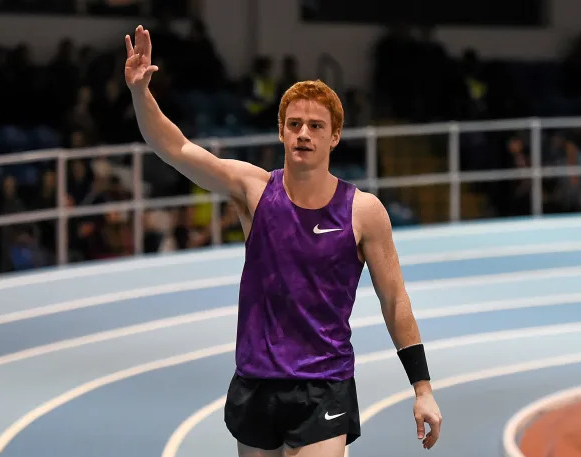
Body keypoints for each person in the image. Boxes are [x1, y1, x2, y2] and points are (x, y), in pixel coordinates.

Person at [125, 25, 442, 457]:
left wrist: (422, 387)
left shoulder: (363, 211)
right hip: (256, 382)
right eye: (294, 124)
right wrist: (141, 93)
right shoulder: (253, 191)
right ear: (281, 132)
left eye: (315, 125)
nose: (304, 133)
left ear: (334, 137)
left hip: (323, 386)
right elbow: (176, 149)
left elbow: (395, 300)